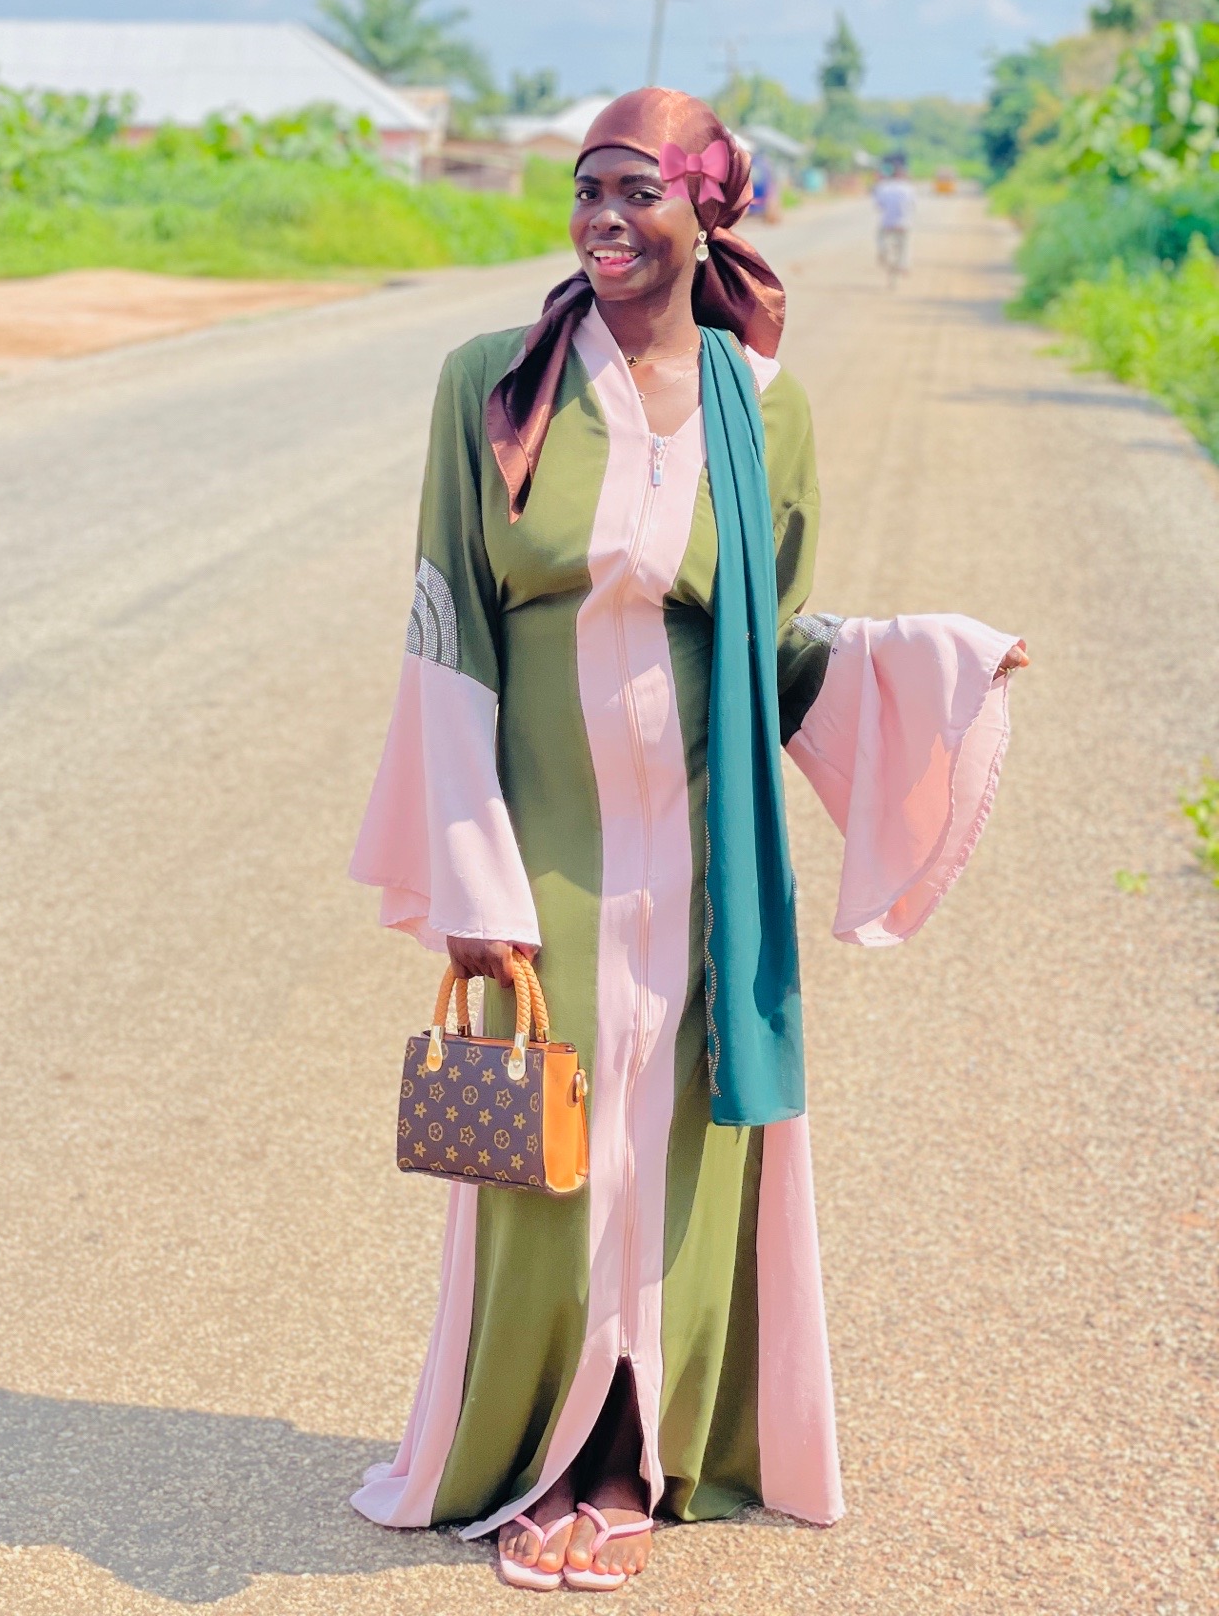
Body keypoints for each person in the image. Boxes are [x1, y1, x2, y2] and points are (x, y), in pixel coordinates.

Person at [351, 88, 1027, 1591]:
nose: (602, 218)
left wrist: (932, 662)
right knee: (556, 1154)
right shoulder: (494, 389)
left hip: (708, 850)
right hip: (549, 844)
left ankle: (637, 1459)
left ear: (706, 213)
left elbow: (770, 636)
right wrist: (473, 875)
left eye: (636, 192)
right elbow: (446, 623)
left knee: (681, 1142)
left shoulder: (765, 405)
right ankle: (542, 1458)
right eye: (586, 188)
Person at [872, 155, 916, 277]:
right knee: (905, 244)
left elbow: (879, 205)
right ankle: (904, 265)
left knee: (880, 236)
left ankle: (883, 251)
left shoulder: (883, 187)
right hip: (904, 224)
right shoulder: (909, 188)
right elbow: (913, 205)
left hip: (887, 223)